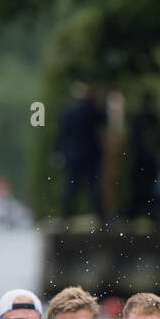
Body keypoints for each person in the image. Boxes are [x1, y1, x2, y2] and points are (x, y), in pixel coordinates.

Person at [53, 82, 106, 221]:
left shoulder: (68, 112)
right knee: (94, 187)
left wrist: (58, 152)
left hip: (73, 155)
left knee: (70, 187)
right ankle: (99, 216)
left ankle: (65, 216)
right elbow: (106, 120)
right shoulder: (93, 111)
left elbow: (61, 135)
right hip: (91, 155)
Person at [124, 90, 160, 222]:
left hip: (138, 158)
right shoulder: (153, 117)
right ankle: (150, 213)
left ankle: (133, 214)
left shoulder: (137, 117)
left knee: (136, 187)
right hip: (148, 159)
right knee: (149, 187)